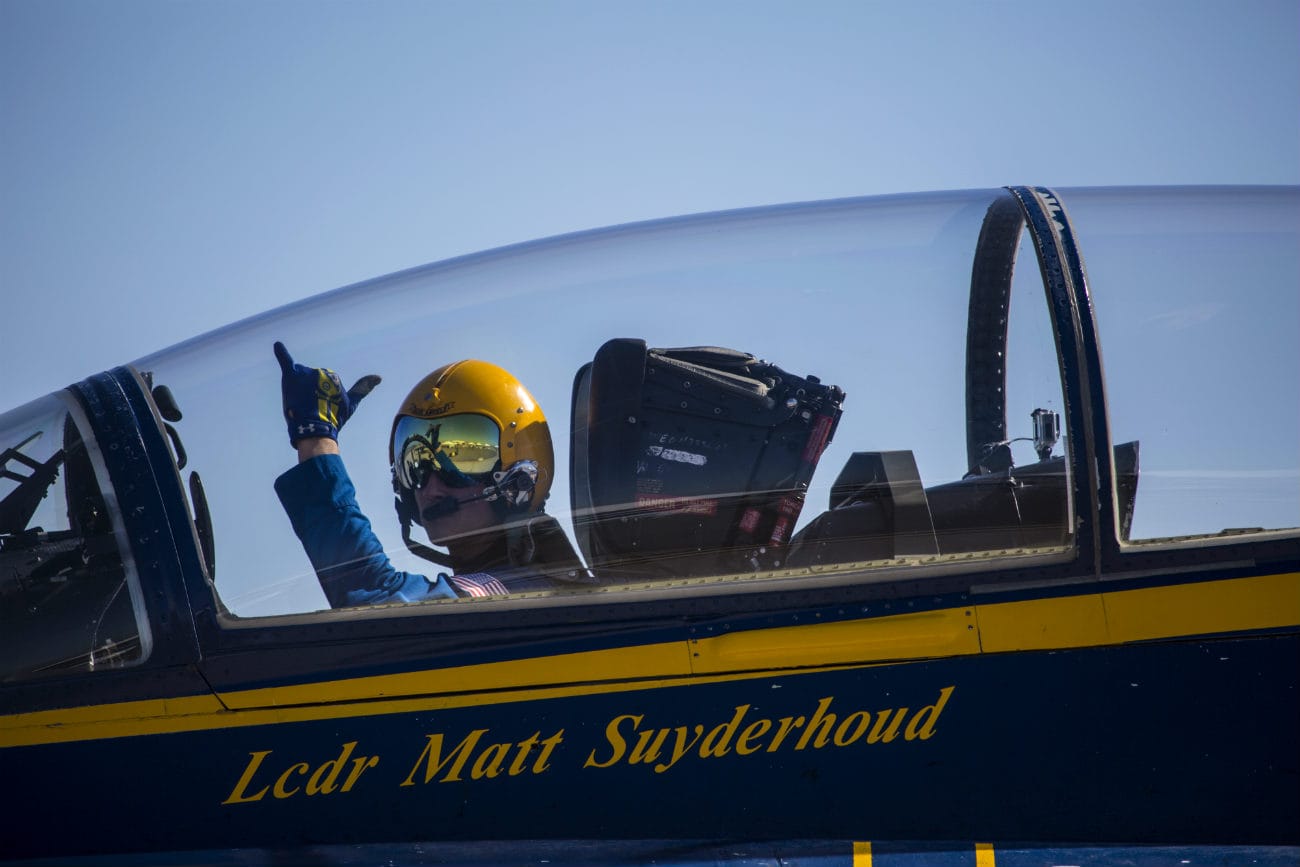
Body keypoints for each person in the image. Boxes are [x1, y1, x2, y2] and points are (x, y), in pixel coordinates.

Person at [272, 341, 590, 608]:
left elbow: (379, 602)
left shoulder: (520, 591)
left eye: (460, 460)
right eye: (416, 465)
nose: (431, 488)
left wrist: (317, 441)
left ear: (519, 477)